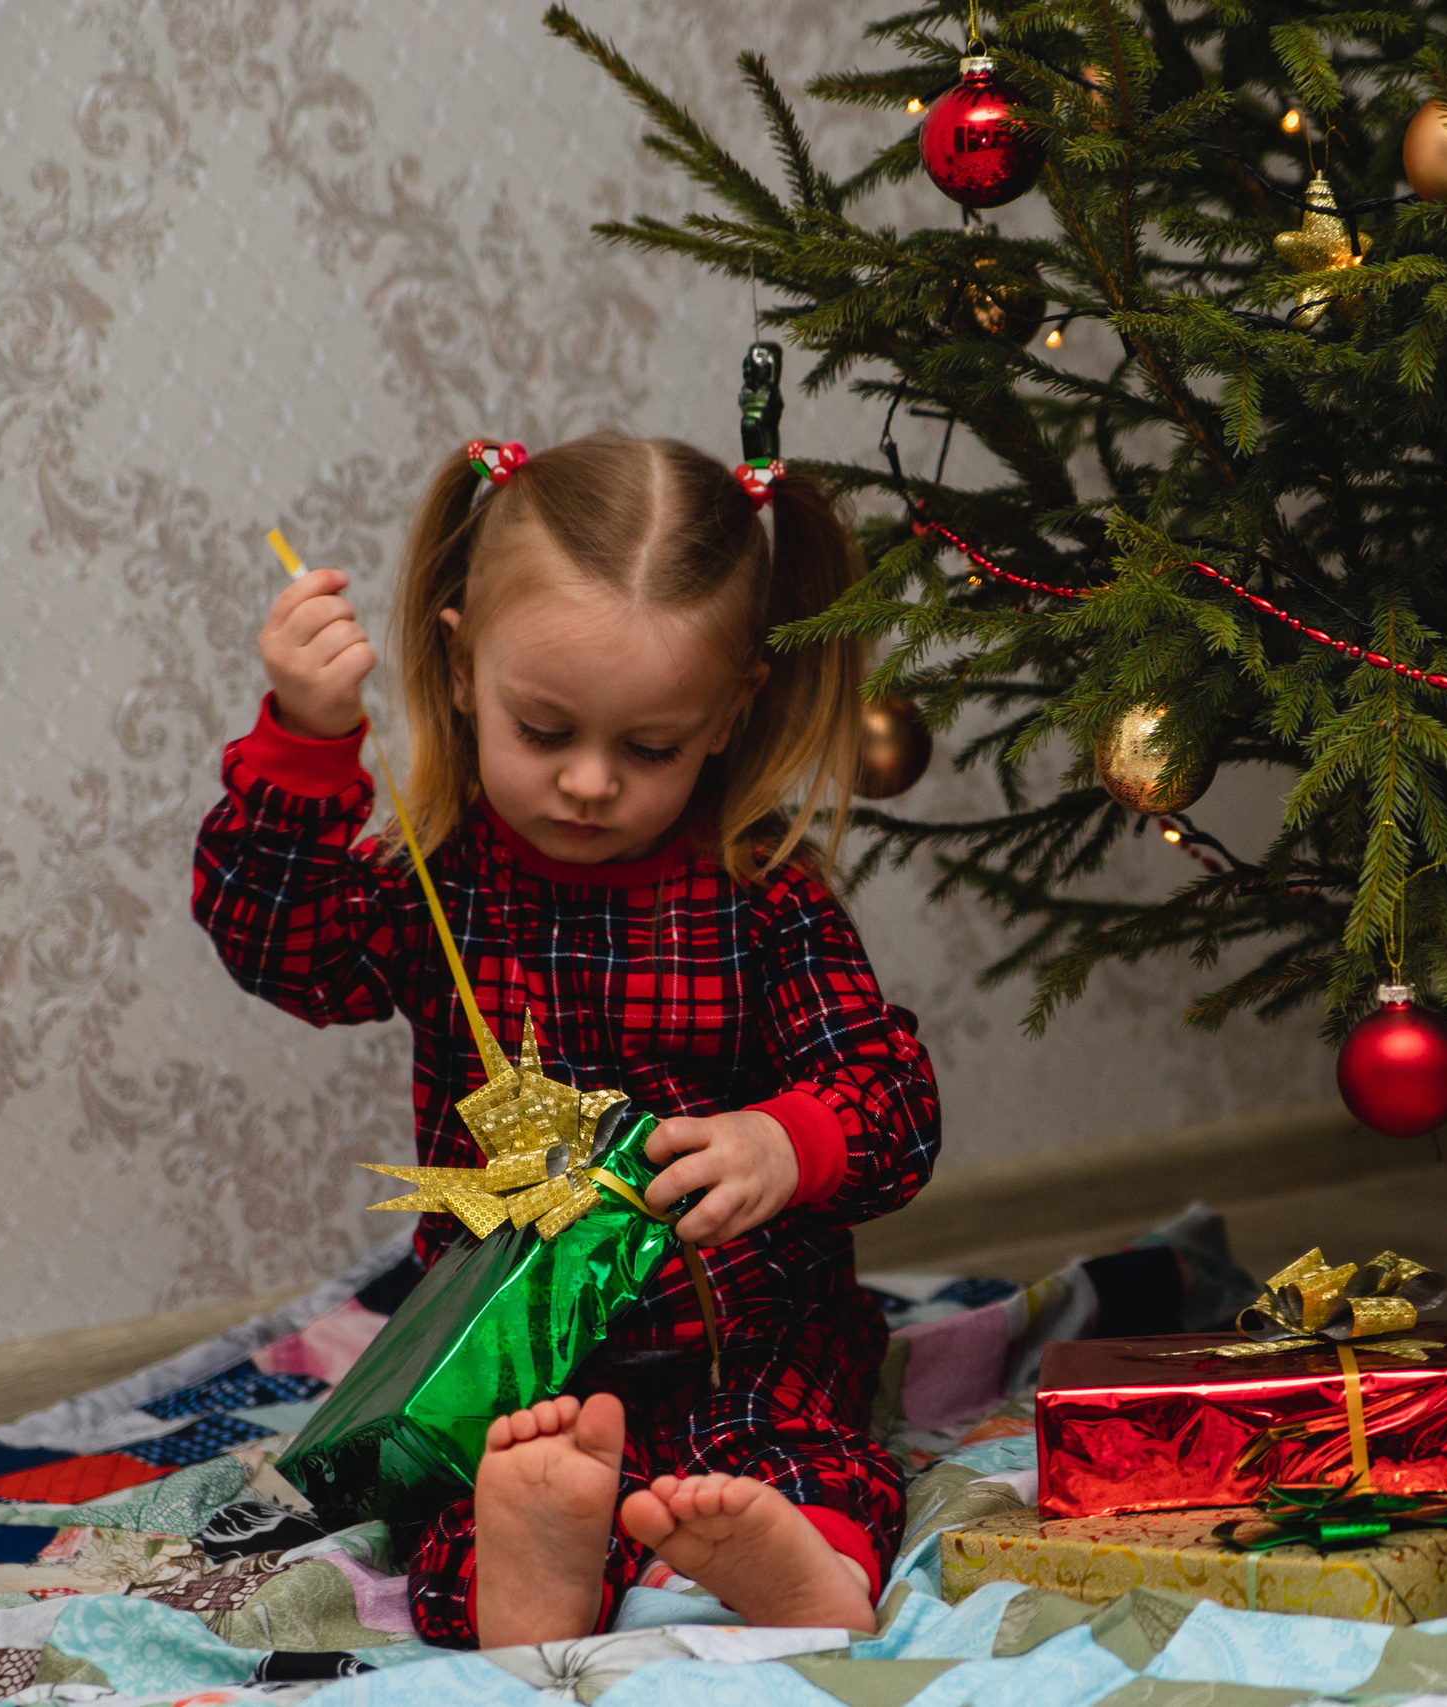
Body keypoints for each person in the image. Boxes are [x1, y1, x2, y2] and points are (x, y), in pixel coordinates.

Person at [192, 432, 938, 1646]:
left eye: (647, 748)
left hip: (740, 1328)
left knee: (798, 1446)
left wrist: (782, 1142)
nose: (590, 783)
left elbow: (892, 1095)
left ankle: (809, 1572)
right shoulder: (437, 881)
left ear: (729, 709)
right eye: (546, 732)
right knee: (468, 1484)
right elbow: (286, 954)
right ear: (463, 663)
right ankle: (529, 1576)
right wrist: (303, 740)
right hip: (506, 1349)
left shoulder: (762, 895)